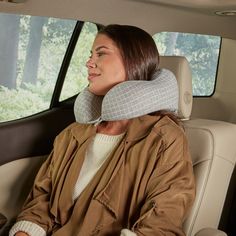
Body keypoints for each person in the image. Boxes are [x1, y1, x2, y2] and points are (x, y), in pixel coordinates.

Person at [9, 24, 195, 236]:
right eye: (90, 55)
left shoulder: (164, 138)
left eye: (101, 54)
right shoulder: (74, 133)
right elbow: (42, 199)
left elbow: (161, 223)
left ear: (133, 61)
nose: (89, 63)